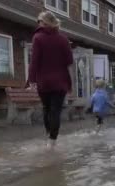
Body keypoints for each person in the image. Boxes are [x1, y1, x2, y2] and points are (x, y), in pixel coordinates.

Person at [27, 11, 73, 148]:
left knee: (47, 109)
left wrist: (31, 81)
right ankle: (52, 140)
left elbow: (34, 61)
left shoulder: (38, 37)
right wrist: (71, 83)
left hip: (44, 82)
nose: (37, 23)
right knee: (55, 111)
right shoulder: (64, 39)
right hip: (61, 81)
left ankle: (49, 135)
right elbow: (69, 62)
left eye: (38, 21)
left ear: (44, 22)